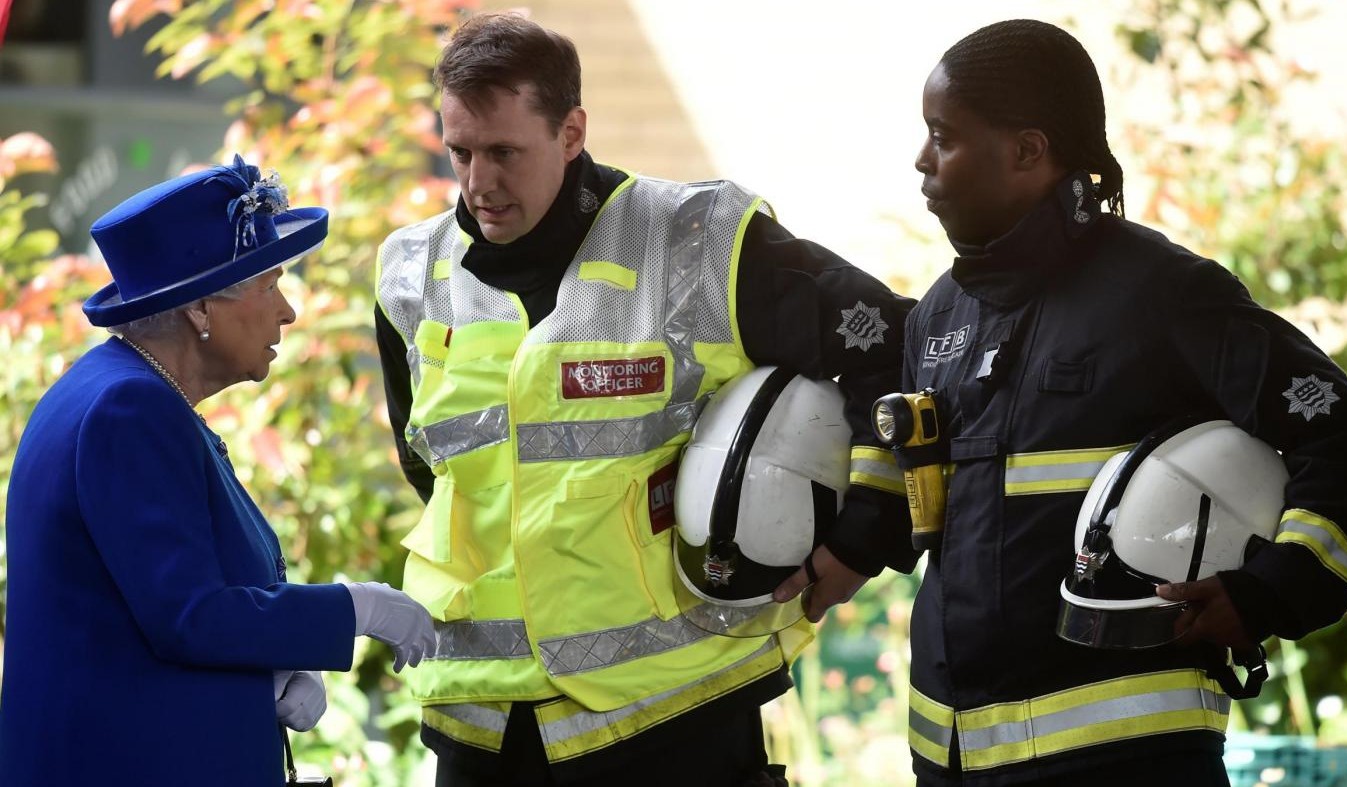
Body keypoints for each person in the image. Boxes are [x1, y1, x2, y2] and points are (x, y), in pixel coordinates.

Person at [373, 12, 918, 786]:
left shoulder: (698, 241)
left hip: (675, 713)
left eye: (503, 152)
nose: (477, 183)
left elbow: (893, 349)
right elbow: (427, 465)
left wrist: (865, 536)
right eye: (458, 150)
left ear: (571, 132)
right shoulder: (408, 273)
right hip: (482, 724)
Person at [881, 18, 1347, 787]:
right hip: (954, 762)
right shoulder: (937, 318)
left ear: (1028, 150)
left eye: (944, 136)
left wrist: (1270, 591)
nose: (921, 159)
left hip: (1127, 760)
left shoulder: (1161, 294)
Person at [0, 156, 438, 786]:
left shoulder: (125, 390)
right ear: (202, 309)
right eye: (270, 286)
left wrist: (275, 661)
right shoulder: (131, 407)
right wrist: (356, 609)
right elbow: (189, 617)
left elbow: (145, 607)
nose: (287, 312)